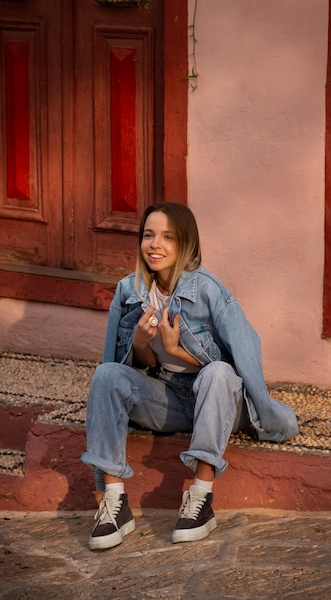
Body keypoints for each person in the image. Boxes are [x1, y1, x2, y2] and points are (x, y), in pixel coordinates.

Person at [81, 202, 299, 550]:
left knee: (216, 373)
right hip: (168, 398)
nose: (155, 244)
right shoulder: (129, 292)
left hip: (219, 400)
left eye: (168, 237)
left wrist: (180, 351)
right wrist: (141, 345)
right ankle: (115, 501)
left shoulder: (209, 291)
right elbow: (132, 368)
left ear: (187, 245)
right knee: (107, 374)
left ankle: (201, 496)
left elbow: (237, 362)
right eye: (149, 235)